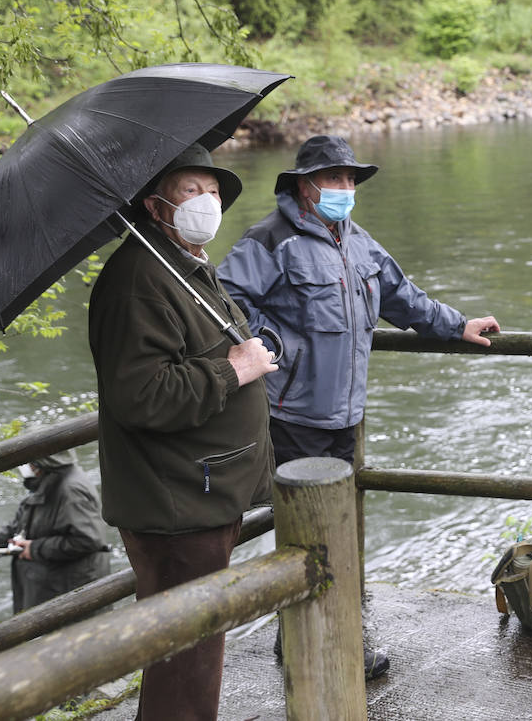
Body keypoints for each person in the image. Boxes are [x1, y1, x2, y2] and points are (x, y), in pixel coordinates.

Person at [218, 133, 500, 678]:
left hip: (345, 415)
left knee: (336, 532)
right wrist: (272, 343)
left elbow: (402, 297)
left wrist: (456, 325)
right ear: (305, 187)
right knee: (309, 535)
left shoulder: (359, 242)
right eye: (334, 179)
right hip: (291, 414)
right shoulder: (269, 241)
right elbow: (224, 299)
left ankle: (315, 636)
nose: (345, 189)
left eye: (350, 180)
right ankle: (320, 647)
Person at [88, 143, 276, 721]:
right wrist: (235, 368)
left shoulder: (182, 264)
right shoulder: (139, 279)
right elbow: (142, 395)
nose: (208, 202)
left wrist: (244, 352)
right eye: (192, 191)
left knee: (193, 658)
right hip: (175, 505)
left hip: (202, 493)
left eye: (214, 191)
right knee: (183, 667)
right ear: (154, 204)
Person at [0, 451, 111, 614]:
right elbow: (18, 528)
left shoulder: (71, 490)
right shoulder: (47, 482)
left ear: (41, 463)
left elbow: (87, 540)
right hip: (49, 586)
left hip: (68, 590)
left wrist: (34, 548)